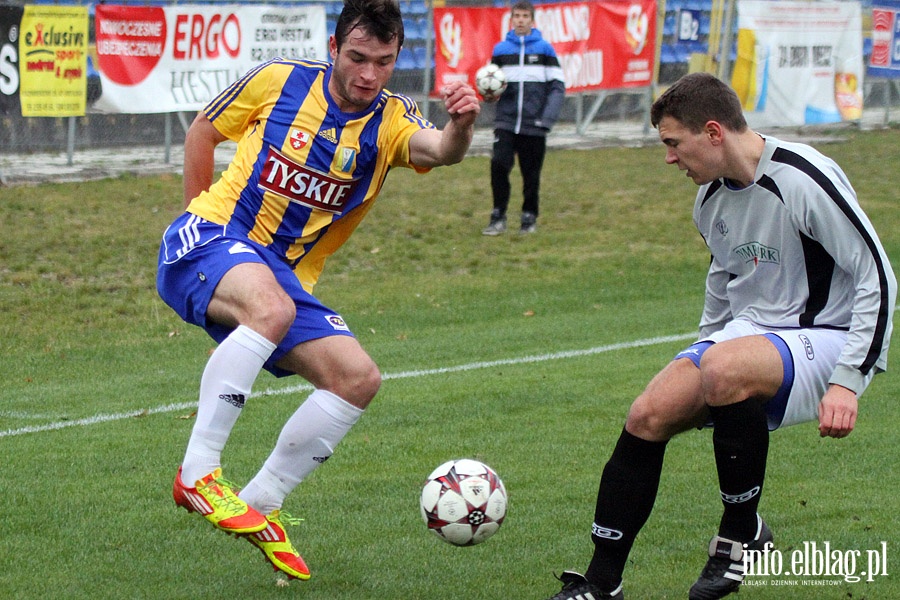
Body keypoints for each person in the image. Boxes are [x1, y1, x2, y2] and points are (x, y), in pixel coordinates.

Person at [156, 0, 480, 581]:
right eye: (357, 58)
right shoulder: (280, 81)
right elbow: (203, 129)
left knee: (357, 378)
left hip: (281, 282)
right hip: (212, 237)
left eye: (383, 62)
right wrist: (195, 218)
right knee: (271, 308)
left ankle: (262, 501)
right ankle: (197, 473)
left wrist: (462, 124)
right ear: (333, 49)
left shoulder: (391, 121)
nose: (368, 74)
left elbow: (441, 151)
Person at [547, 72, 896, 600]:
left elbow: (878, 273)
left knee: (725, 369)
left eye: (672, 143)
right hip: (752, 336)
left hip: (828, 335)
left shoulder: (802, 178)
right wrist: (701, 355)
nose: (668, 159)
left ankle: (741, 537)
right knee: (648, 412)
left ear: (713, 132)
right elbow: (724, 283)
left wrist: (849, 380)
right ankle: (601, 583)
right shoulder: (709, 200)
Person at [481, 0, 565, 235]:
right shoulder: (501, 50)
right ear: (511, 19)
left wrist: (546, 119)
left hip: (534, 124)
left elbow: (558, 86)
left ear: (532, 20)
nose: (520, 20)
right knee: (498, 165)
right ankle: (498, 216)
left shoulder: (545, 50)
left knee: (531, 174)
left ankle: (529, 217)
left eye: (524, 16)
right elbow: (491, 83)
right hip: (505, 122)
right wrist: (490, 96)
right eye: (516, 16)